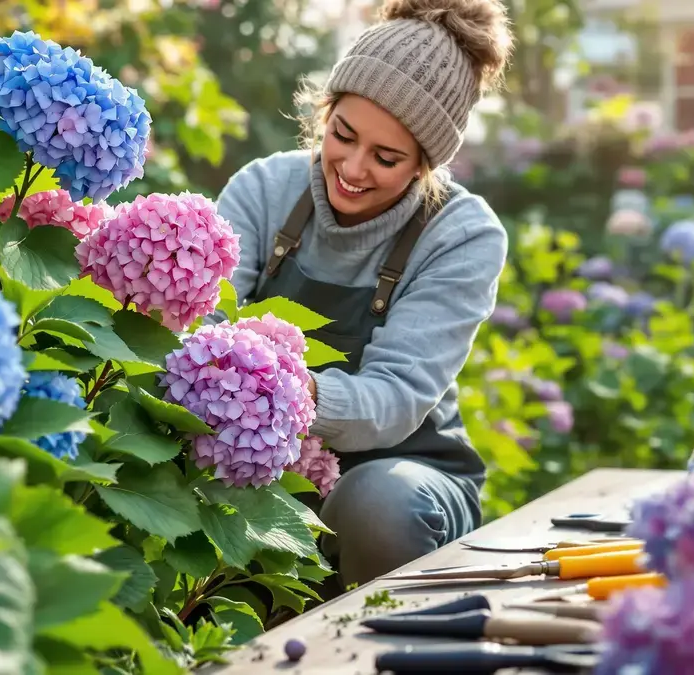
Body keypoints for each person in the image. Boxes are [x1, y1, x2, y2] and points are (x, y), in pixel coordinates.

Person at [214, 0, 514, 588]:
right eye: (342, 134)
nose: (352, 167)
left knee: (373, 504)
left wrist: (277, 392)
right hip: (257, 460)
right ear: (324, 114)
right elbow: (202, 324)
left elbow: (395, 397)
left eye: (386, 157)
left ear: (426, 163)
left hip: (406, 477)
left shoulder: (462, 234)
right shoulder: (263, 191)